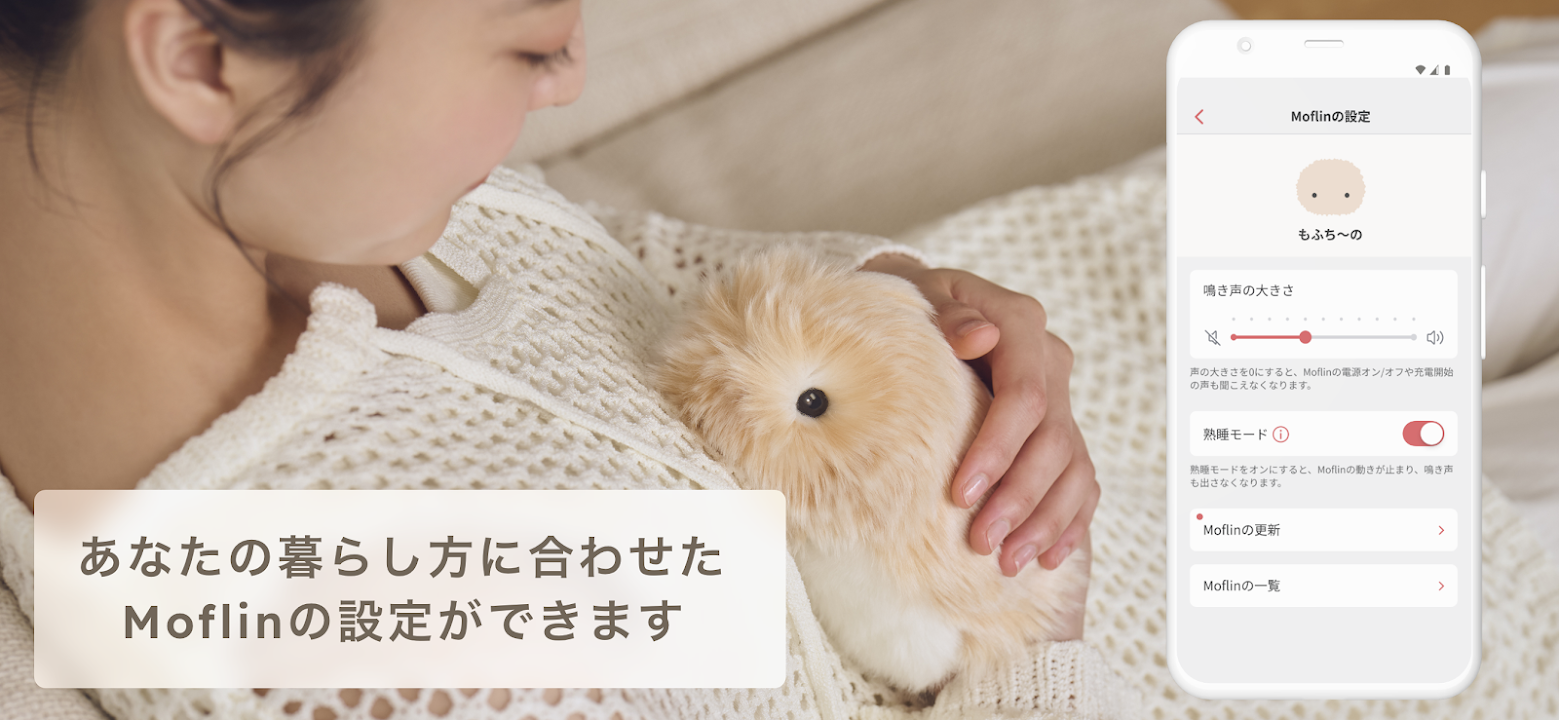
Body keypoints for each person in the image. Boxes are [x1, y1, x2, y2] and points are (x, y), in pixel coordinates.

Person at [0, 0, 1136, 717]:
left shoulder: (325, 198)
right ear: (201, 60)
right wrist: (1041, 655)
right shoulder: (355, 640)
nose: (570, 78)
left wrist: (899, 309)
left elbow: (617, 279)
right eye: (530, 42)